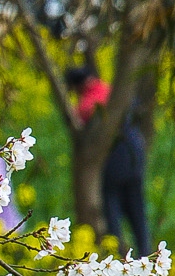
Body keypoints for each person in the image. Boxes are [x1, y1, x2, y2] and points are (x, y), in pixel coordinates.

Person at [64, 66, 150, 256]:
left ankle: (118, 257)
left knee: (113, 214)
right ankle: (145, 255)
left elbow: (83, 119)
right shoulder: (112, 91)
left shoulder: (87, 104)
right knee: (137, 212)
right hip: (134, 161)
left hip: (111, 168)